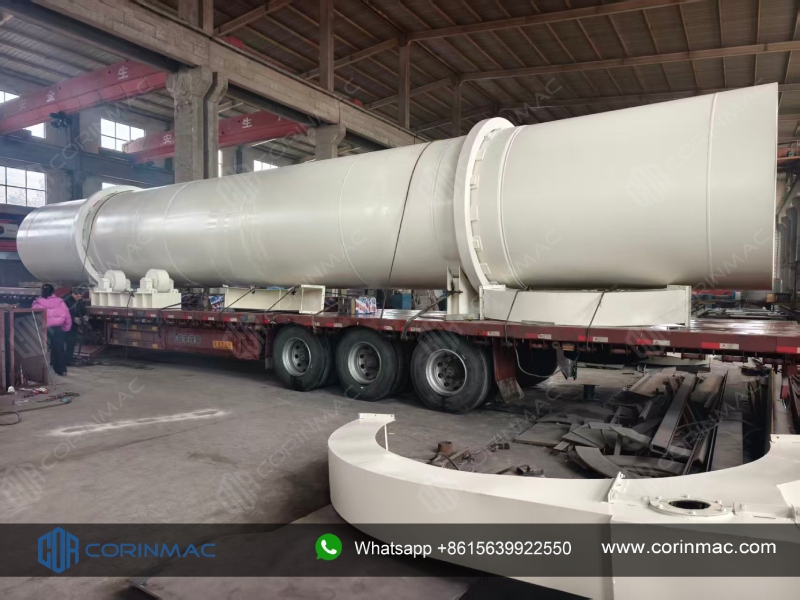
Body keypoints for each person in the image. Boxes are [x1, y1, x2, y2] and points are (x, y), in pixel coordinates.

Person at [32, 284, 72, 376]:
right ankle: (61, 370)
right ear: (53, 292)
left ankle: (40, 373)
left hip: (43, 329)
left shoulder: (37, 303)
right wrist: (66, 328)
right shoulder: (60, 302)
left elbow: (33, 317)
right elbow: (67, 316)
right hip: (58, 329)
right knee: (59, 349)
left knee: (40, 351)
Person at [62, 285, 88, 365]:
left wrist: (85, 316)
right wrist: (73, 318)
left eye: (80, 296)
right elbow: (62, 313)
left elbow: (83, 309)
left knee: (71, 343)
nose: (79, 297)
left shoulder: (79, 300)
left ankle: (68, 359)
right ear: (73, 293)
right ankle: (61, 360)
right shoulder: (65, 300)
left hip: (73, 327)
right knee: (62, 343)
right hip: (64, 326)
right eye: (77, 296)